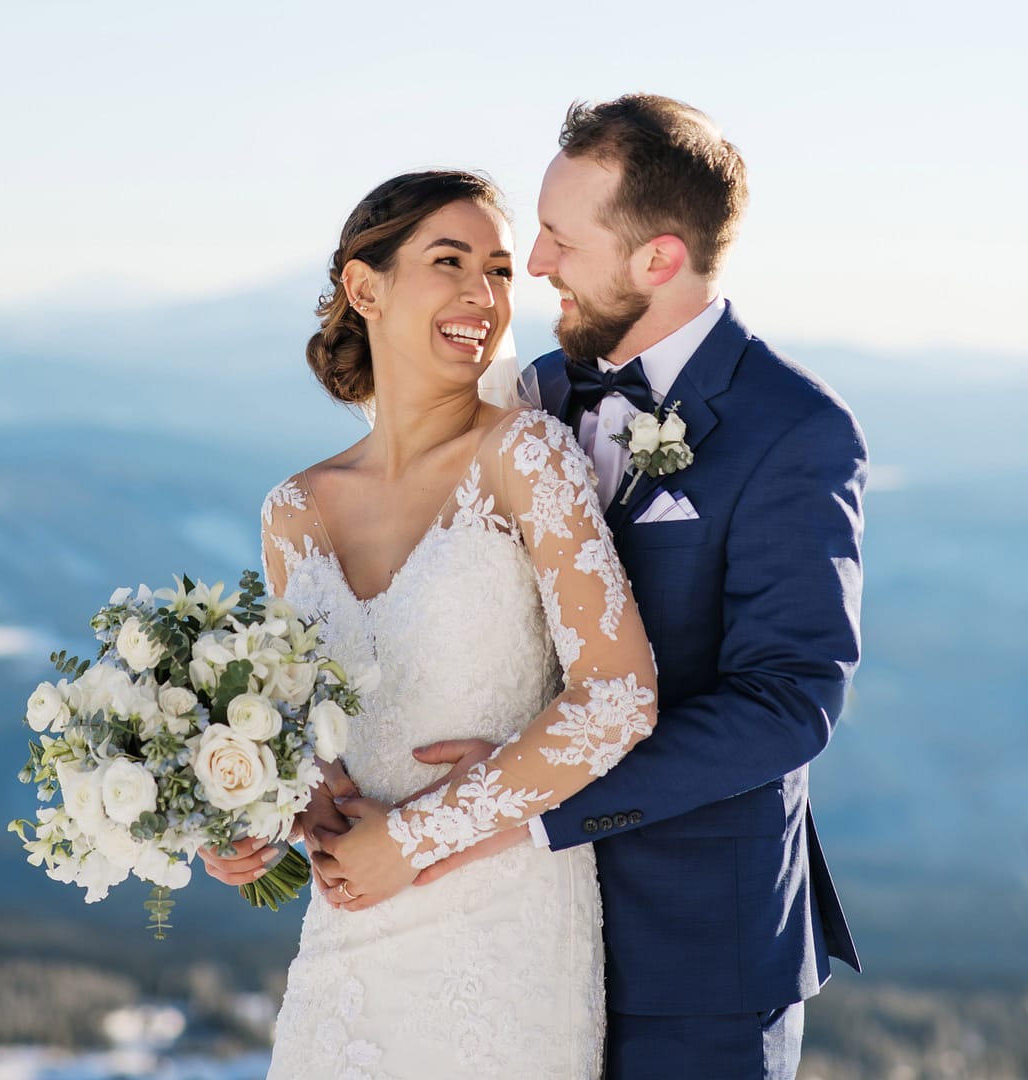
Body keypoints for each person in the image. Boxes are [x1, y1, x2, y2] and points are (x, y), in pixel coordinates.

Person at [203, 169, 658, 1078]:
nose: (482, 296)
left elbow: (618, 697)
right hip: (350, 930)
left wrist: (414, 839)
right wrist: (260, 812)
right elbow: (312, 742)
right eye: (448, 262)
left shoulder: (525, 455)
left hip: (499, 923)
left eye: (496, 271)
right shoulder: (294, 510)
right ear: (363, 288)